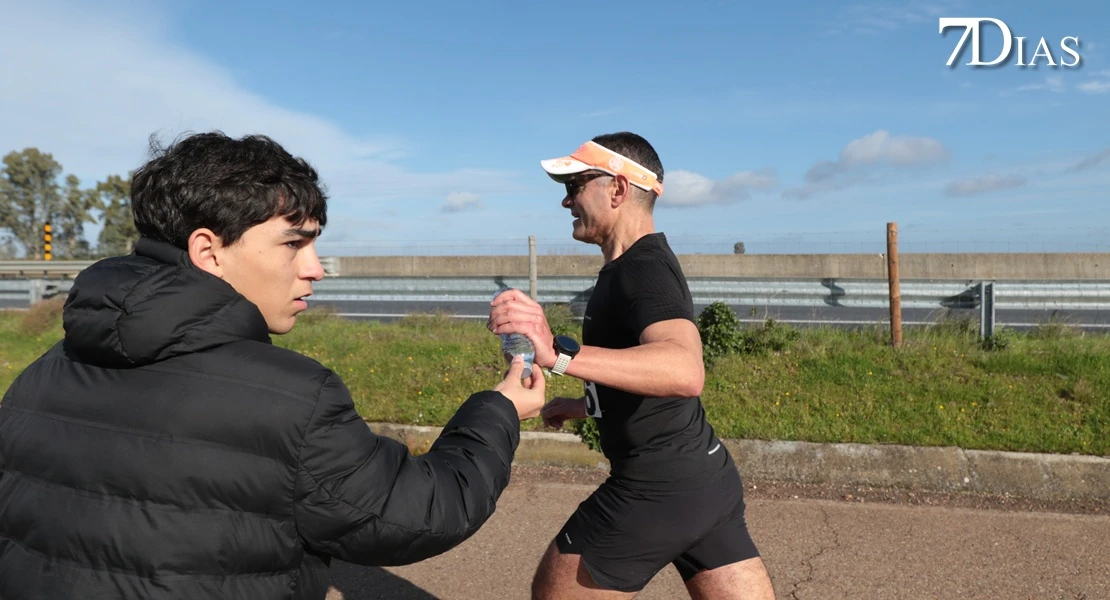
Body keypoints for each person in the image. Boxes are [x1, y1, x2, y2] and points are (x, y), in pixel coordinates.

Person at [0, 132, 546, 600]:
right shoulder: (292, 398)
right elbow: (418, 512)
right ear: (208, 252)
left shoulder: (46, 369)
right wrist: (498, 410)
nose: (315, 269)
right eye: (294, 242)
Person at [488, 132, 775, 599]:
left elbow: (683, 370)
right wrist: (585, 405)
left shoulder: (643, 270)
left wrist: (559, 354)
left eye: (576, 184)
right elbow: (644, 373)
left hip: (657, 488)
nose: (566, 201)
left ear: (618, 189)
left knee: (553, 591)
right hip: (704, 480)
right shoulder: (627, 268)